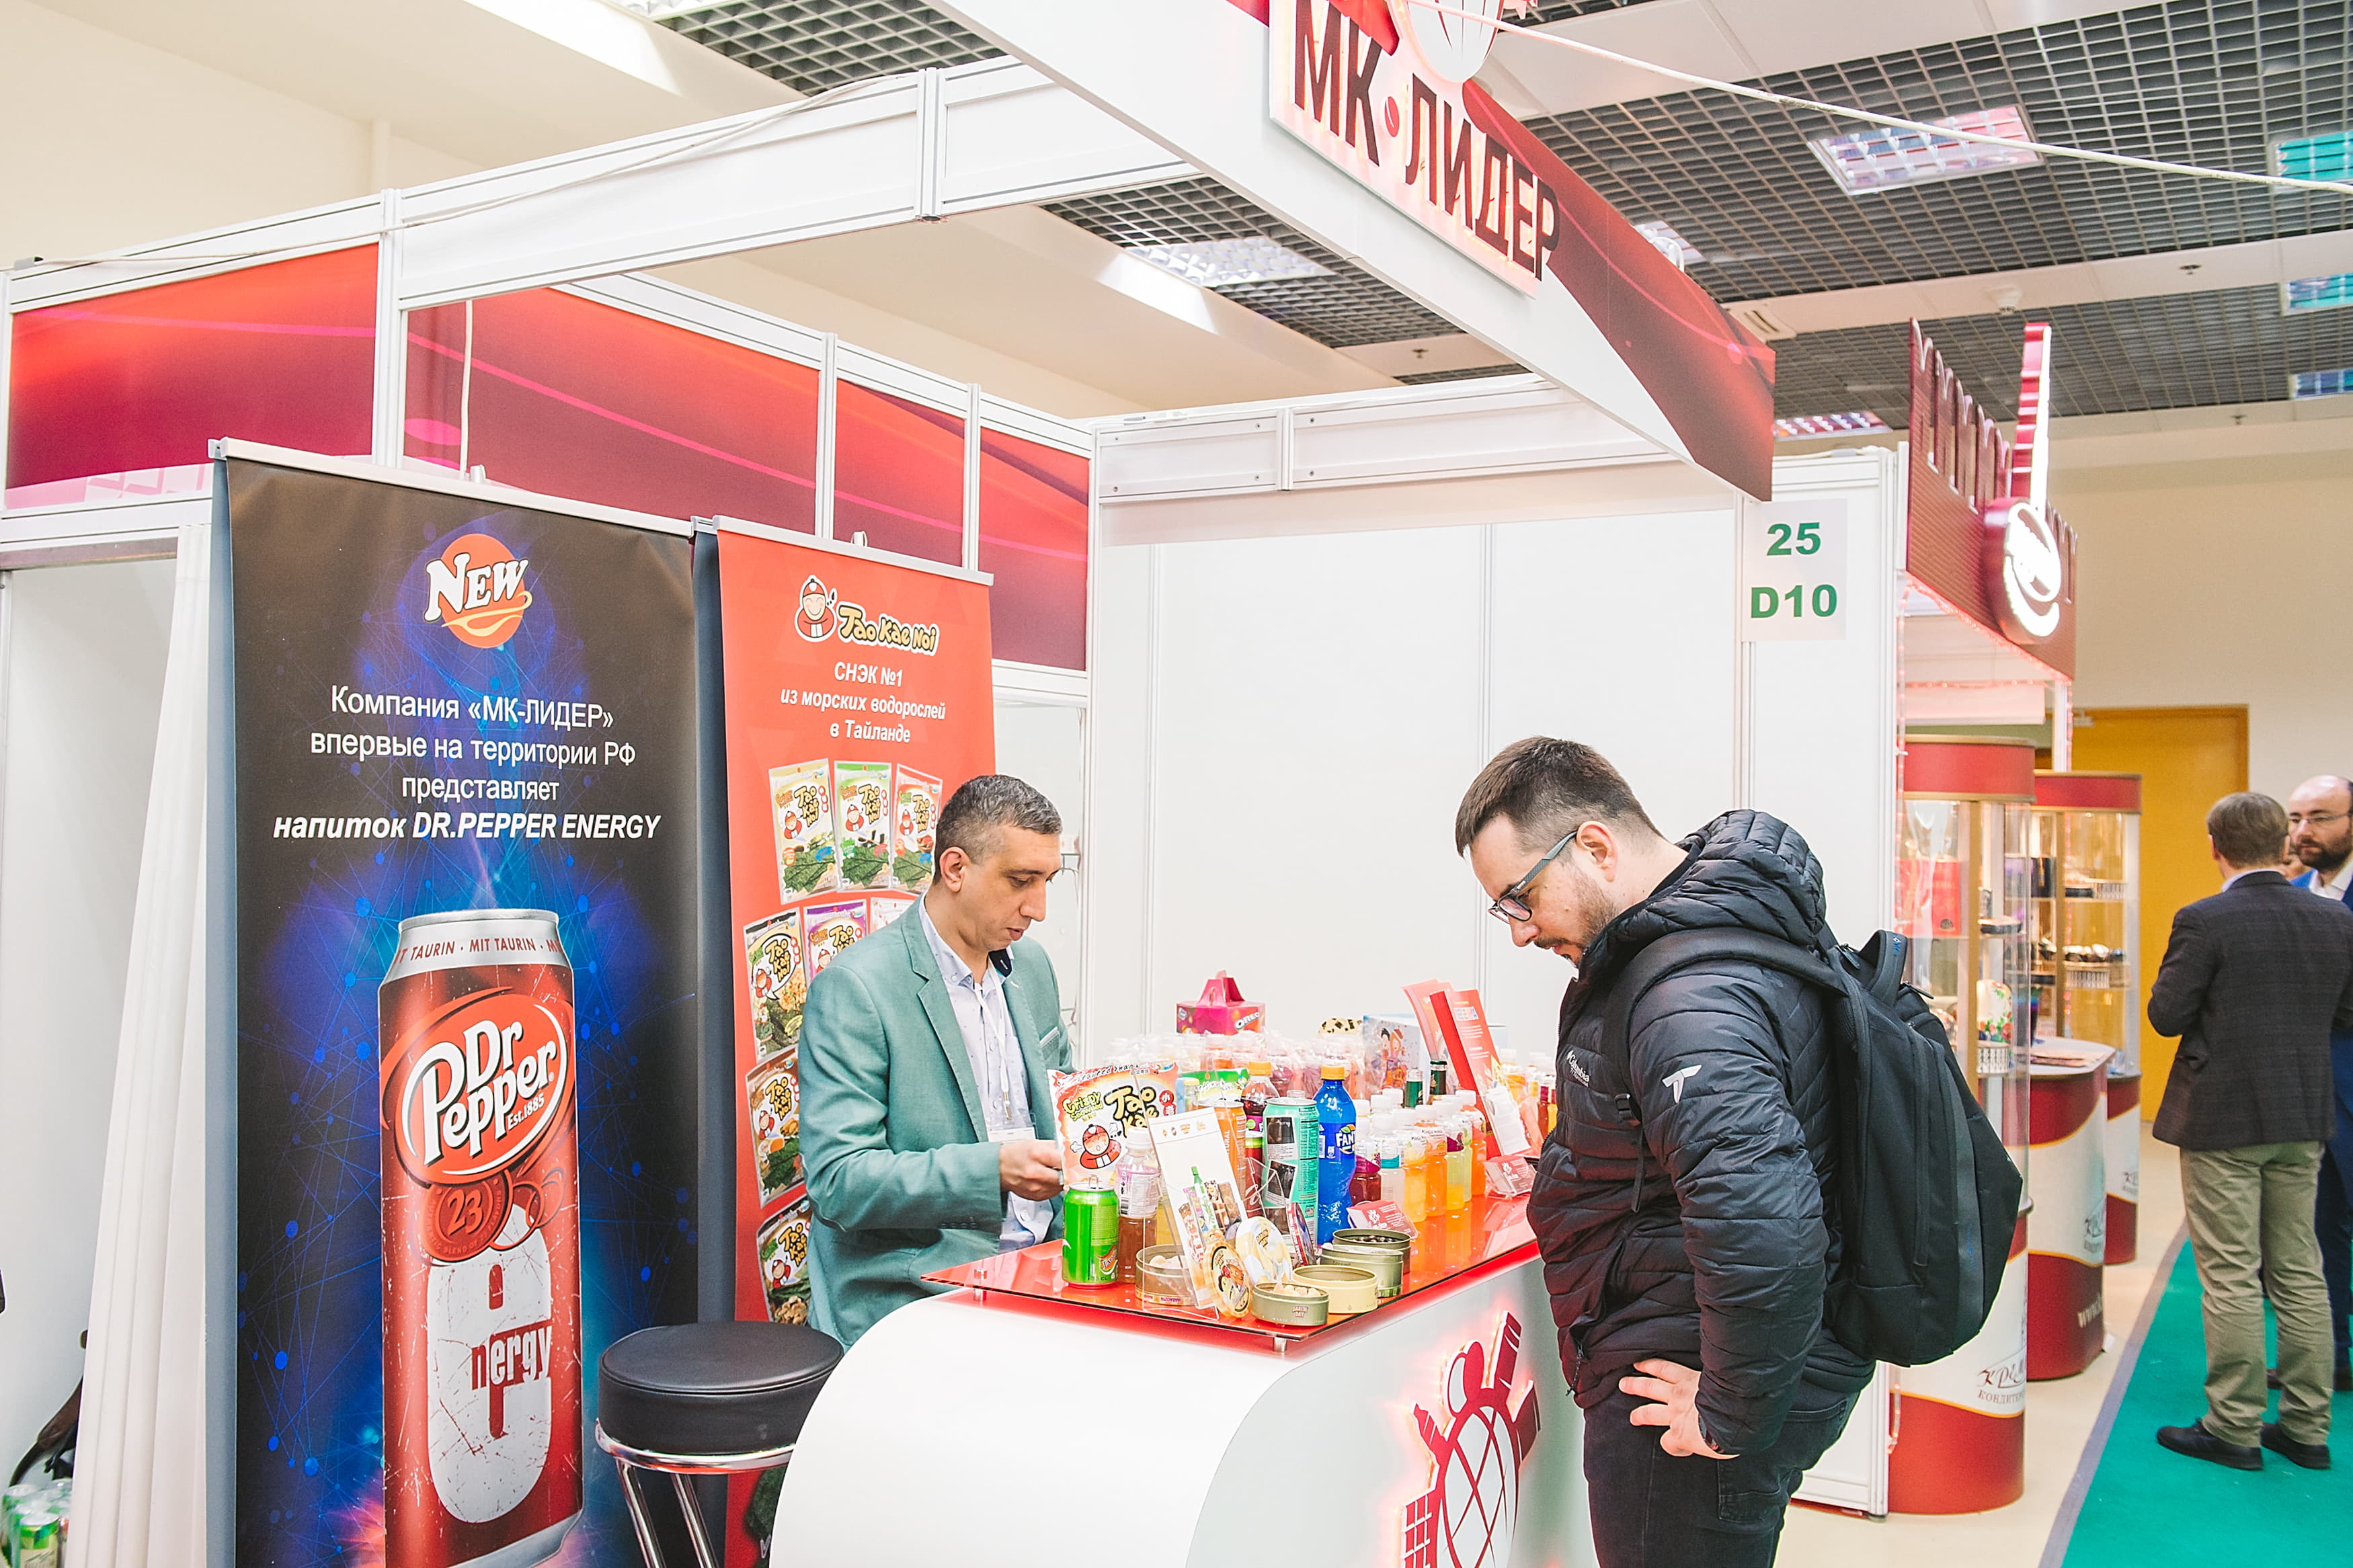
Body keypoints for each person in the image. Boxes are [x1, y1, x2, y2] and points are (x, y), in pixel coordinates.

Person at [1453, 737, 1869, 1568]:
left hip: (1678, 1382)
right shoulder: (1708, 937)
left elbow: (1761, 1220)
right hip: (1705, 1344)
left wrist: (1727, 1411)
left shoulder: (1686, 995)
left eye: (1519, 897)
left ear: (1594, 847)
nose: (1520, 931)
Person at [799, 774, 1072, 1346]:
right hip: (919, 1292)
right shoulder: (858, 988)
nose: (1039, 908)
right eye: (1021, 881)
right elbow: (839, 1179)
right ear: (954, 868)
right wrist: (993, 1170)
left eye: (1048, 881)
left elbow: (1068, 1108)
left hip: (1047, 1274)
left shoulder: (1033, 968)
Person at [2147, 792, 2353, 1471]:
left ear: (2215, 846)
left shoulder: (2204, 918)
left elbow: (2166, 1015)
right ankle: (2306, 1427)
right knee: (2300, 1270)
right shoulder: (2334, 919)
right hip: (2303, 1115)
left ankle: (2232, 1425)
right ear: (2282, 843)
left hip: (2223, 1119)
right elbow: (2346, 1015)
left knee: (2231, 1272)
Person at [2287, 774, 2353, 1393]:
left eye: (2321, 817)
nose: (2304, 831)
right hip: (2306, 1097)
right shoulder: (2291, 896)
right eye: (2296, 818)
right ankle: (2330, 1354)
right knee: (2317, 1227)